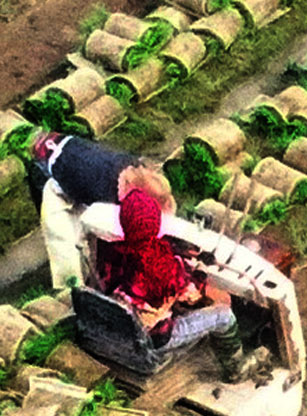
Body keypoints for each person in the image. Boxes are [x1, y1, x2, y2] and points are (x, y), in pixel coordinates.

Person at [95, 167, 240, 356]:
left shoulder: (110, 250)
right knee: (224, 315)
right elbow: (191, 294)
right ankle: (237, 370)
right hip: (153, 337)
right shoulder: (163, 265)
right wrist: (200, 270)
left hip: (123, 325)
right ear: (156, 221)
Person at [28, 120, 140, 294]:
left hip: (89, 170)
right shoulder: (101, 196)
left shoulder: (132, 172)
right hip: (61, 183)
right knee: (68, 239)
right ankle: (74, 286)